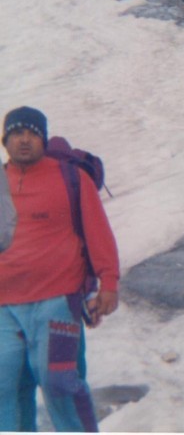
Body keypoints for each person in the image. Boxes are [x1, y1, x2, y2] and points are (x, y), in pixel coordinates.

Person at [0, 106, 120, 431]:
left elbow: (98, 232)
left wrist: (109, 282)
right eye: (17, 133)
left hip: (58, 303)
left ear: (43, 137)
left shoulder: (71, 178)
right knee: (6, 389)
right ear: (5, 138)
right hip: (4, 309)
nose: (24, 140)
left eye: (32, 133)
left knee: (60, 383)